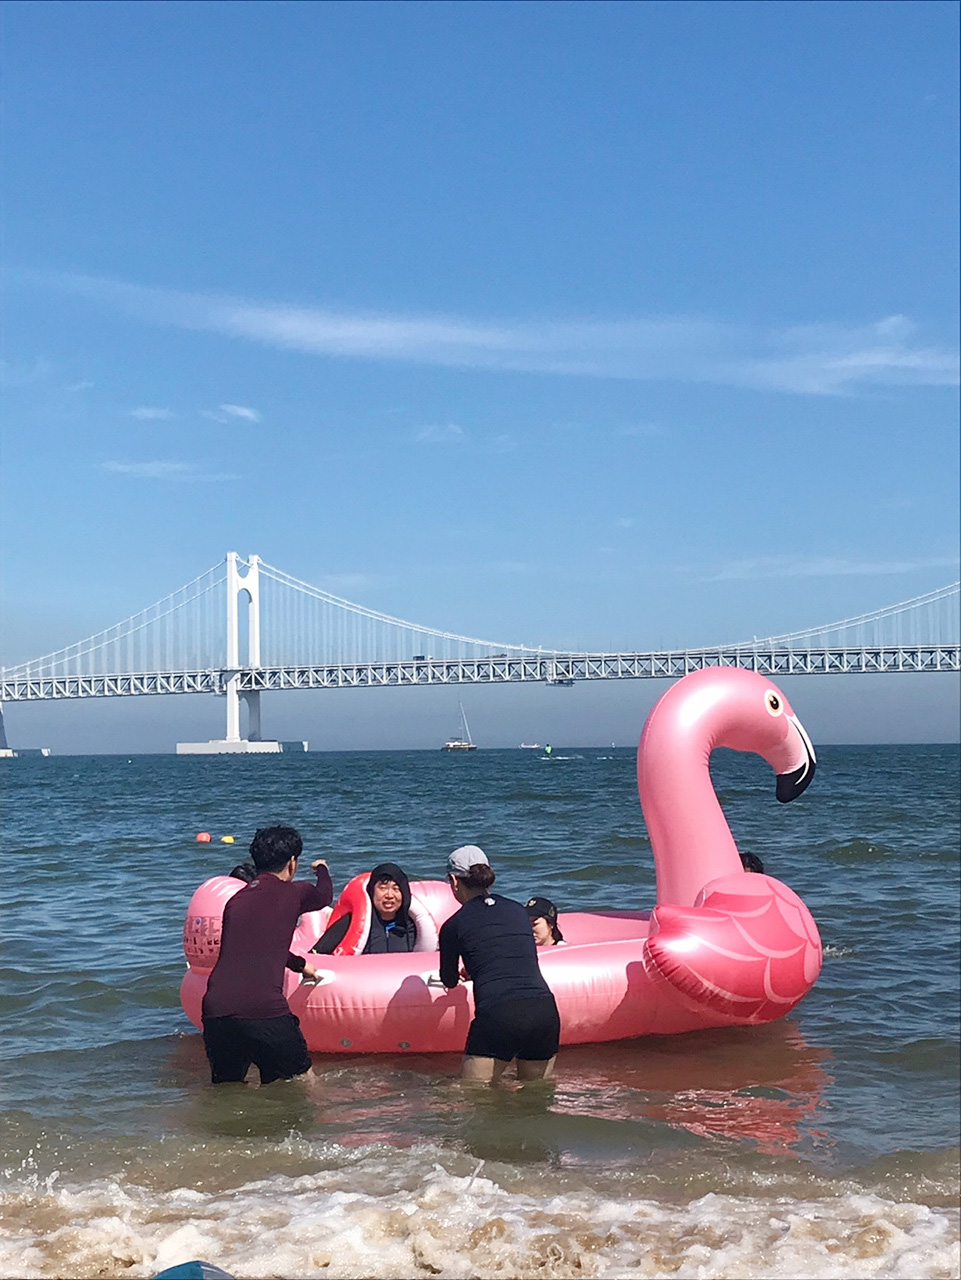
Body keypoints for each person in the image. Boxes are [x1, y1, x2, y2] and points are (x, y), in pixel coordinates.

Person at [201, 825, 333, 1085]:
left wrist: (299, 965)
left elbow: (256, 948)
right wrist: (321, 869)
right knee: (302, 1083)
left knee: (227, 1090)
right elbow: (325, 895)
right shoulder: (294, 892)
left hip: (216, 1010)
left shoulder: (236, 901)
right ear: (292, 863)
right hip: (263, 1010)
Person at [439, 845, 561, 1085]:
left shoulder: (454, 925)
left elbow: (449, 980)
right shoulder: (518, 911)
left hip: (499, 1013)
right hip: (544, 1010)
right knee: (535, 1094)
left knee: (471, 1094)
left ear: (454, 881)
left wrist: (470, 972)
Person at [312, 862, 418, 954]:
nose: (389, 895)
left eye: (396, 889)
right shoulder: (351, 922)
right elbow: (316, 954)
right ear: (372, 891)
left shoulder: (412, 926)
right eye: (383, 888)